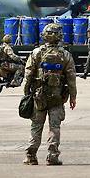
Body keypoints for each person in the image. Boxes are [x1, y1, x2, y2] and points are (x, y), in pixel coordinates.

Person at [22, 23, 77, 166]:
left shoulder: (36, 53)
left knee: (36, 126)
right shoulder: (65, 55)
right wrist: (73, 97)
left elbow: (28, 74)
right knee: (54, 127)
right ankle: (52, 156)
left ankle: (31, 156)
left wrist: (26, 91)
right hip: (57, 97)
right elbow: (71, 78)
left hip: (39, 96)